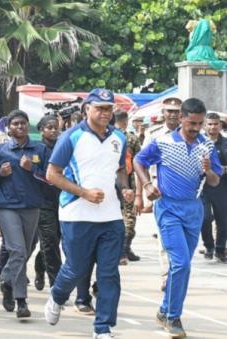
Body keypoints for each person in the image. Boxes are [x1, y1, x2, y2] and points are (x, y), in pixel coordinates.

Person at [44, 89, 134, 339]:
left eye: (109, 108)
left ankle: (103, 329)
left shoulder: (118, 137)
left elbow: (119, 170)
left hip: (110, 216)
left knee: (109, 274)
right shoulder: (71, 137)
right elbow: (52, 175)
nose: (105, 113)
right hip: (77, 214)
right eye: (100, 108)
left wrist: (125, 189)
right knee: (76, 268)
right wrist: (83, 193)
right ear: (87, 109)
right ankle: (57, 296)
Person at [134, 98, 222, 338]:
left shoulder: (207, 146)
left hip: (193, 209)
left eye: (200, 124)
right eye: (192, 123)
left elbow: (215, 180)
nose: (196, 128)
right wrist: (147, 184)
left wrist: (208, 170)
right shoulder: (162, 142)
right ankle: (173, 318)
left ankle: (165, 310)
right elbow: (138, 161)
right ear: (181, 118)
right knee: (180, 263)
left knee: (182, 266)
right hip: (168, 208)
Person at [0, 110, 47, 318]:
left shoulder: (40, 149)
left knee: (24, 252)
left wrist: (32, 169)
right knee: (17, 251)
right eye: (15, 124)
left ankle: (12, 290)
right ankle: (14, 291)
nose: (20, 127)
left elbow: (51, 177)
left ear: (28, 126)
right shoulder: (0, 150)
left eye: (23, 123)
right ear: (8, 128)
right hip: (7, 206)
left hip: (31, 206)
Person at [137, 97, 182, 290]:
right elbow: (141, 163)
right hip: (160, 189)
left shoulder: (190, 133)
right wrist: (142, 192)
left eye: (176, 111)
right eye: (169, 111)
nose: (172, 114)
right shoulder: (154, 134)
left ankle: (178, 270)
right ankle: (167, 275)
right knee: (165, 234)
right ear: (163, 113)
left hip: (186, 192)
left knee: (185, 238)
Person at [34, 115, 62, 291]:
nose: (53, 131)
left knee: (54, 242)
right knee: (50, 241)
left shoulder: (63, 146)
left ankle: (39, 266)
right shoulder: (36, 148)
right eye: (49, 127)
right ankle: (56, 285)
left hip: (62, 199)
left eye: (55, 127)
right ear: (41, 130)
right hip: (42, 201)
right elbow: (36, 173)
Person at [114, 110, 142, 264]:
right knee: (128, 219)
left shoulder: (108, 136)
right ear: (125, 121)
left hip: (122, 182)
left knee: (125, 218)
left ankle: (124, 249)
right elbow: (140, 163)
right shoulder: (131, 138)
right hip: (126, 183)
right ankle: (122, 249)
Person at [201, 112, 227, 262]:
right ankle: (208, 246)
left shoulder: (225, 143)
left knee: (223, 219)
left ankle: (220, 248)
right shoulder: (199, 143)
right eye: (209, 124)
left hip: (222, 186)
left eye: (215, 124)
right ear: (205, 126)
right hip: (203, 187)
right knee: (205, 217)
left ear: (220, 125)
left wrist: (222, 169)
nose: (212, 127)